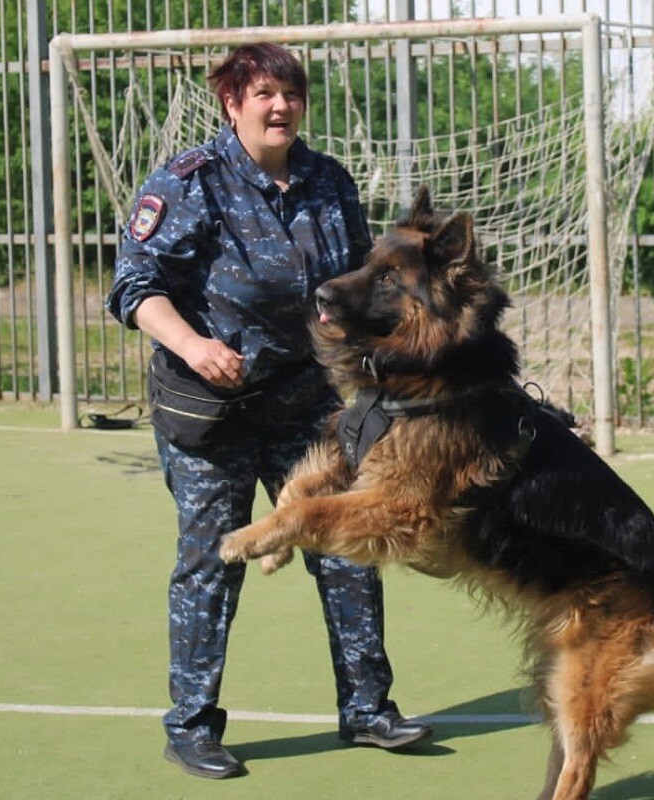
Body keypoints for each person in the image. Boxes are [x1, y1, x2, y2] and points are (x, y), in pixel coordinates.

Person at [107, 42, 431, 779]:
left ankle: (369, 709)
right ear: (232, 102)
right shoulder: (191, 182)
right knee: (212, 563)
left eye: (289, 92)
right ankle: (191, 725)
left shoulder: (327, 181)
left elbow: (357, 290)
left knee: (347, 546)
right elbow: (134, 285)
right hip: (211, 413)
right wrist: (191, 344)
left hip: (305, 407)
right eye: (263, 94)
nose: (279, 106)